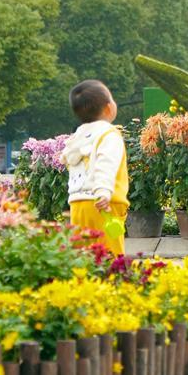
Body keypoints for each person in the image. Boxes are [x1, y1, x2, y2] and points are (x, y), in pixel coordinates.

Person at [63, 79, 129, 256]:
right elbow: (105, 164)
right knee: (109, 254)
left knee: (84, 254)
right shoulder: (109, 135)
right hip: (104, 204)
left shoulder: (78, 136)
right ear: (109, 108)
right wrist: (103, 192)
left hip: (78, 204)